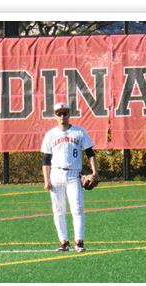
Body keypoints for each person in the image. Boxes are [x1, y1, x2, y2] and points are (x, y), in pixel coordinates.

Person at [41, 103, 99, 252]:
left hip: (74, 174)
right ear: (55, 116)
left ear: (69, 114)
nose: (62, 116)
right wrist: (46, 179)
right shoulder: (50, 134)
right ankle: (63, 241)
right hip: (56, 174)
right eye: (59, 114)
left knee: (77, 208)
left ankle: (78, 241)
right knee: (58, 210)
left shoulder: (79, 132)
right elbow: (46, 160)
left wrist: (95, 172)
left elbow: (90, 153)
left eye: (65, 113)